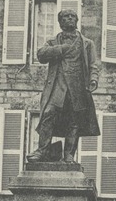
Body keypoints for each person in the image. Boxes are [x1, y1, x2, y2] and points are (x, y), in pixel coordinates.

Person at [27, 9, 100, 164]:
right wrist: (61, 49)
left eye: (72, 16)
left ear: (77, 20)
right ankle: (42, 150)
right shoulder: (53, 42)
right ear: (60, 22)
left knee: (74, 121)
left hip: (77, 89)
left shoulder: (87, 43)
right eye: (65, 17)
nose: (69, 19)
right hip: (58, 87)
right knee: (48, 114)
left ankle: (68, 156)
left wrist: (93, 80)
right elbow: (41, 55)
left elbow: (93, 65)